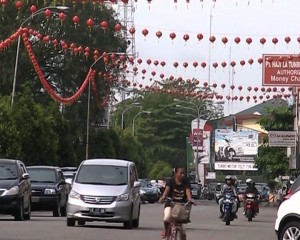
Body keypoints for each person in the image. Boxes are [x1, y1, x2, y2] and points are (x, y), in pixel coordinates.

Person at [158, 166, 194, 240]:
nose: (182, 175)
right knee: (167, 218)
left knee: (183, 232)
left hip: (182, 206)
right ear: (176, 173)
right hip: (170, 204)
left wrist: (190, 199)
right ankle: (166, 230)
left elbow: (188, 193)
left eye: (184, 173)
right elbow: (166, 192)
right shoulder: (171, 181)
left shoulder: (186, 182)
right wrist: (163, 197)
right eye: (181, 173)